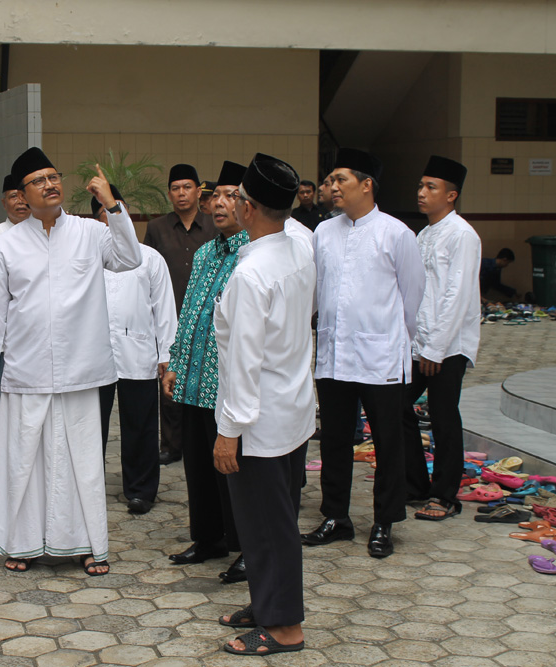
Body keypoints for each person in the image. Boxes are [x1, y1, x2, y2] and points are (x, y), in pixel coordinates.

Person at [0, 147, 141, 576]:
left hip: (81, 371)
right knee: (23, 459)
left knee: (81, 461)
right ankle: (21, 543)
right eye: (38, 180)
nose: (50, 184)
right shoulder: (7, 245)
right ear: (22, 194)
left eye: (53, 176)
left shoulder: (89, 232)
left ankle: (87, 545)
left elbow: (129, 258)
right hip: (26, 372)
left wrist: (112, 207)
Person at [214, 153, 314, 656]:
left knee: (268, 526)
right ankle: (266, 601)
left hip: (259, 420)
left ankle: (284, 629)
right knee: (274, 520)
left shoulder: (252, 275)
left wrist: (228, 429)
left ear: (249, 208)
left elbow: (243, 362)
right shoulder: (299, 250)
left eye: (235, 198)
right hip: (291, 408)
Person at [303, 148, 425, 558]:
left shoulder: (396, 233)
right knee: (334, 439)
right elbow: (317, 292)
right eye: (331, 180)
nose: (332, 187)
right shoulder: (324, 232)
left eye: (341, 180)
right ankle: (336, 516)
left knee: (387, 442)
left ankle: (384, 521)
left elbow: (412, 300)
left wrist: (391, 340)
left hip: (381, 358)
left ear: (366, 184)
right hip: (333, 355)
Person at [162, 161, 248, 582]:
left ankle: (246, 545)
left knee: (235, 471)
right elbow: (189, 312)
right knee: (197, 465)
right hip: (194, 379)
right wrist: (176, 362)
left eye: (231, 195)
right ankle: (209, 538)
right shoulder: (205, 252)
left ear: (249, 205)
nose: (220, 203)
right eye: (217, 195)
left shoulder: (252, 255)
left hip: (230, 385)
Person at [92, 186, 177, 515]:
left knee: (140, 425)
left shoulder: (150, 258)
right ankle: (87, 489)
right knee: (89, 425)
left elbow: (164, 309)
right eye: (108, 214)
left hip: (138, 354)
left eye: (121, 212)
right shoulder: (89, 259)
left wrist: (166, 354)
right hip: (94, 354)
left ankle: (141, 489)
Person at [404, 156, 481, 521]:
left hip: (448, 345)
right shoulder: (424, 234)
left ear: (451, 196)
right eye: (420, 186)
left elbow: (457, 296)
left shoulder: (462, 235)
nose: (421, 193)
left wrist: (436, 347)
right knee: (398, 405)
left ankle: (445, 495)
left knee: (443, 415)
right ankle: (416, 484)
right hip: (421, 343)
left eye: (430, 187)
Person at [144, 164, 218, 465]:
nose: (181, 193)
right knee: (169, 382)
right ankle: (171, 445)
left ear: (198, 191)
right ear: (170, 193)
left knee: (205, 379)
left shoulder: (214, 227)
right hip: (169, 314)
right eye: (175, 188)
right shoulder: (157, 228)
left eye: (187, 187)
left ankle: (204, 440)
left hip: (209, 318)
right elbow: (146, 270)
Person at [0, 174, 32, 437]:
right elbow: (0, 293)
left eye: (24, 196)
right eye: (14, 196)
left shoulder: (45, 230)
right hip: (8, 342)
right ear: (4, 203)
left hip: (40, 341)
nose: (20, 202)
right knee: (6, 405)